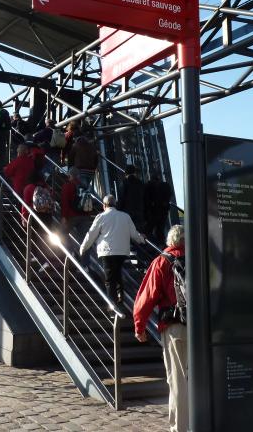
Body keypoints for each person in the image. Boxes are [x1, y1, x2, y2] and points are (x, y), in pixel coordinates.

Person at [133, 224, 187, 432]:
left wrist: (140, 327)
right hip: (201, 327)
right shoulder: (200, 259)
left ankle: (180, 427)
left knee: (178, 379)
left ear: (170, 241)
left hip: (175, 326)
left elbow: (145, 299)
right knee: (198, 376)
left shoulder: (162, 262)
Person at [79, 194, 145, 307]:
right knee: (117, 274)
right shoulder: (125, 216)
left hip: (107, 252)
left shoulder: (101, 217)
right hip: (122, 252)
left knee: (109, 279)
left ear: (104, 205)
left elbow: (91, 234)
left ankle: (112, 305)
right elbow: (134, 234)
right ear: (115, 204)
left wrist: (83, 248)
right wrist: (142, 239)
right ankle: (120, 299)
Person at [61, 167, 93, 267]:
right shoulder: (84, 186)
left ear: (70, 175)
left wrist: (64, 216)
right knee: (85, 241)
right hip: (84, 216)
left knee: (61, 234)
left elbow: (64, 202)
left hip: (71, 216)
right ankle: (85, 265)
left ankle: (71, 251)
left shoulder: (67, 186)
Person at [144, 172, 172, 244]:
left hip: (152, 211)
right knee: (160, 230)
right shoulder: (166, 185)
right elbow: (169, 196)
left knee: (148, 230)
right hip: (163, 211)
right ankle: (161, 245)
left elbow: (146, 198)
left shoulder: (148, 186)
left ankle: (152, 245)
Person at [117, 164, 145, 231]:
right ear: (134, 172)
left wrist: (118, 210)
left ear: (125, 173)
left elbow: (121, 198)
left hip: (127, 212)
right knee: (139, 232)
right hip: (139, 212)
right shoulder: (140, 183)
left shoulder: (124, 183)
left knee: (129, 231)